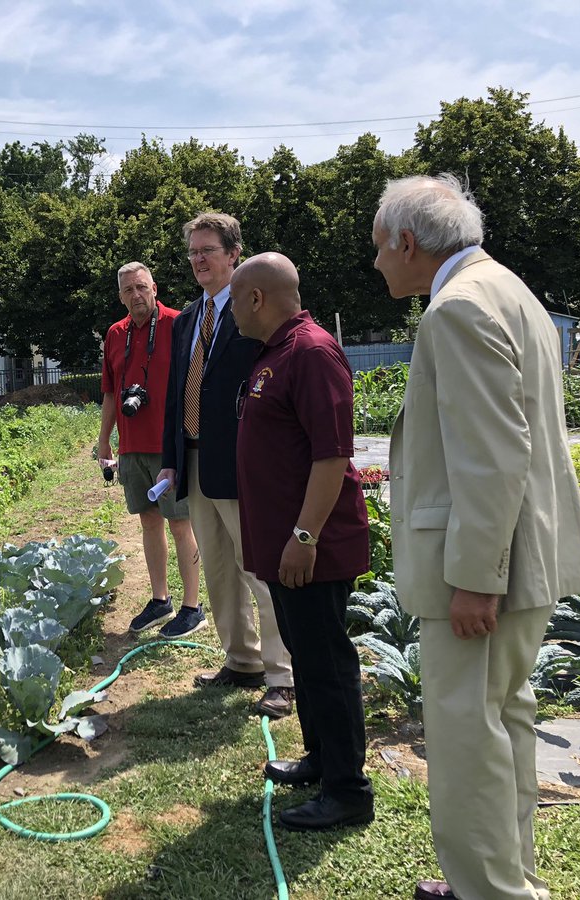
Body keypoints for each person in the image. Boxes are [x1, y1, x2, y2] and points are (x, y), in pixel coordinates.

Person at [372, 174, 580, 900]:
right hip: (526, 557)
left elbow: (490, 455)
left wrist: (474, 577)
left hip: (487, 569)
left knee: (469, 739)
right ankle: (506, 876)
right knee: (505, 722)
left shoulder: (456, 310)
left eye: (379, 246)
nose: (376, 262)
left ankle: (490, 892)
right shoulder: (510, 290)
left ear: (408, 242)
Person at [228, 252, 374, 831]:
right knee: (306, 659)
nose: (232, 311)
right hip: (283, 546)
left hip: (310, 547)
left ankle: (347, 791)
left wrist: (305, 535)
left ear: (258, 298)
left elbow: (332, 453)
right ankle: (321, 758)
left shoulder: (311, 351)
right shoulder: (275, 352)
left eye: (236, 300)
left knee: (326, 664)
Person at [157, 212, 293, 718]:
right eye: (193, 252)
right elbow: (178, 392)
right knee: (217, 568)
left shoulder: (255, 306)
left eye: (207, 250)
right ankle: (242, 661)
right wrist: (171, 461)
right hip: (194, 460)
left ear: (234, 253)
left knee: (257, 568)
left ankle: (282, 676)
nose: (198, 260)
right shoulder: (190, 318)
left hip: (241, 462)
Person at [100, 263, 205, 638]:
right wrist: (104, 442)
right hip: (131, 447)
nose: (136, 295)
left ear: (155, 288)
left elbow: (196, 381)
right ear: (120, 296)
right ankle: (161, 599)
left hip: (169, 445)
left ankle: (194, 607)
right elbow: (111, 393)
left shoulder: (179, 324)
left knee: (180, 523)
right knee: (148, 521)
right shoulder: (115, 334)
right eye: (128, 290)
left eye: (141, 287)